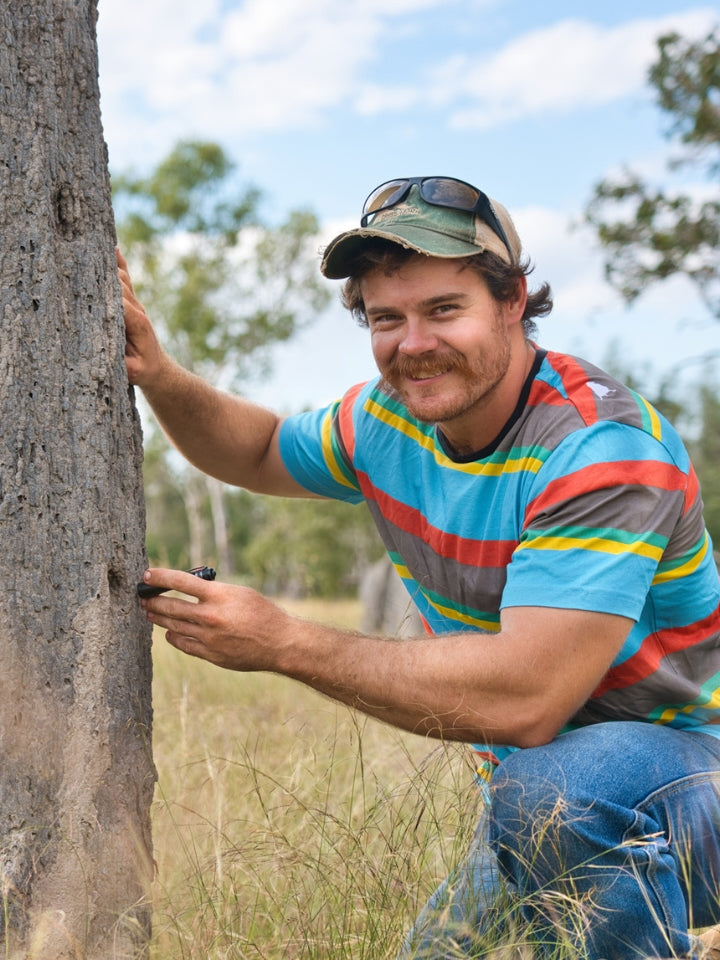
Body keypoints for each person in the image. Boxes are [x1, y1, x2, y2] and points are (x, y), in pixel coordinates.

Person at [118, 175, 720, 960]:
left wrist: (284, 643)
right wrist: (159, 376)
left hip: (681, 784)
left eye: (444, 309)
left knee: (565, 790)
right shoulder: (385, 418)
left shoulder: (597, 448)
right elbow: (261, 449)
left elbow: (529, 700)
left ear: (513, 301)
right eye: (386, 318)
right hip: (538, 799)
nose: (414, 343)